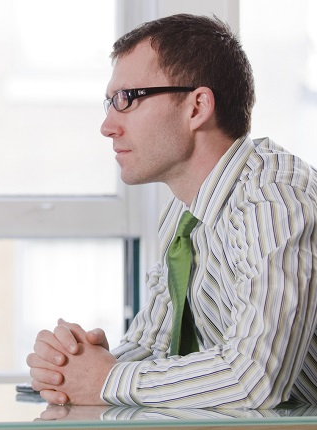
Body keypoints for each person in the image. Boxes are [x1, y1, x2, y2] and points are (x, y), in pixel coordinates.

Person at [27, 13, 317, 409]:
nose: (107, 125)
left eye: (126, 99)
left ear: (197, 107)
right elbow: (155, 345)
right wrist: (72, 365)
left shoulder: (274, 201)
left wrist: (107, 378)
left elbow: (254, 379)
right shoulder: (185, 214)